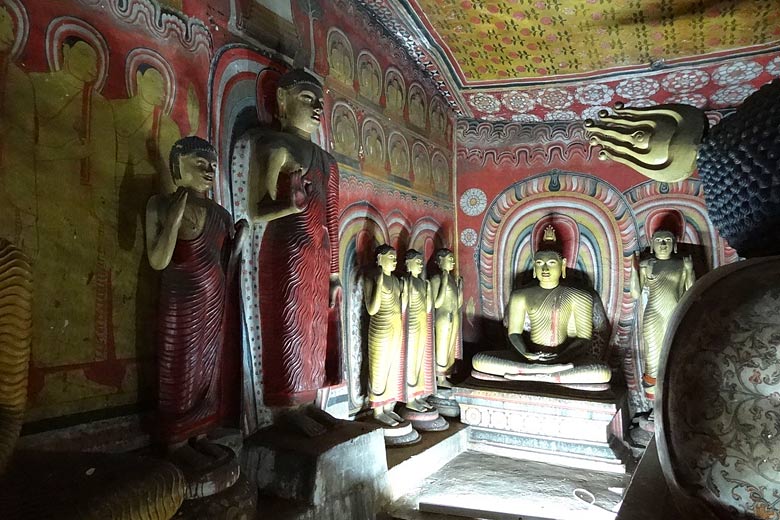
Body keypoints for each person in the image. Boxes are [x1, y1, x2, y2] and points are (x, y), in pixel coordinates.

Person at [246, 69, 341, 414]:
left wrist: (334, 275)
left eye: (319, 102)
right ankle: (286, 409)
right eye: (307, 98)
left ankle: (312, 401)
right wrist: (290, 204)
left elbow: (332, 218)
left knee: (315, 328)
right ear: (282, 100)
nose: (317, 108)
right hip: (288, 250)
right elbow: (257, 210)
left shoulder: (327, 161)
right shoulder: (275, 145)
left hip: (319, 252)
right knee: (291, 323)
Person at [146, 137, 247, 459]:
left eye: (212, 165)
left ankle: (199, 431)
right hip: (181, 296)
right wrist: (174, 220)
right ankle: (176, 439)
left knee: (207, 365)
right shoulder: (160, 205)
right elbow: (158, 260)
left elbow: (225, 260)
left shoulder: (220, 212)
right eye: (200, 164)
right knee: (180, 363)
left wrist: (239, 242)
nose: (209, 170)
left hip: (214, 296)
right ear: (177, 167)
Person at [472, 228, 611, 386]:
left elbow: (584, 339)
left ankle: (536, 374)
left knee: (602, 372)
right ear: (534, 266)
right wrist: (526, 353)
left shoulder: (580, 296)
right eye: (540, 263)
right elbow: (514, 334)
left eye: (551, 263)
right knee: (479, 360)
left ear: (563, 265)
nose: (545, 269)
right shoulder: (520, 295)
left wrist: (562, 357)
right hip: (529, 360)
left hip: (565, 360)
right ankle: (543, 374)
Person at [630, 230, 694, 400]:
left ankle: (670, 398)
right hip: (654, 314)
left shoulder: (681, 264)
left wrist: (690, 269)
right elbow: (636, 294)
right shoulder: (647, 265)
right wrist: (634, 268)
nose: (663, 245)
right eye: (659, 241)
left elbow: (691, 291)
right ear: (652, 245)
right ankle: (653, 402)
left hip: (675, 312)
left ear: (674, 244)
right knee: (652, 353)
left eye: (667, 240)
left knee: (675, 350)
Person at [364, 245, 405, 426]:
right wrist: (379, 283)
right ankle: (378, 411)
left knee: (393, 367)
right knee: (379, 369)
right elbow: (372, 310)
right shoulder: (371, 278)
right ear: (380, 258)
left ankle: (388, 407)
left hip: (396, 328)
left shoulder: (396, 281)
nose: (395, 261)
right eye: (391, 257)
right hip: (380, 329)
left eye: (395, 257)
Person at [402, 249, 435, 412]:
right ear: (408, 264)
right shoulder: (406, 282)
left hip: (422, 325)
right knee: (411, 361)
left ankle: (417, 395)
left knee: (421, 361)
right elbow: (404, 307)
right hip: (411, 327)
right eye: (417, 262)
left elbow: (428, 308)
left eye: (421, 262)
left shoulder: (422, 283)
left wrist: (429, 291)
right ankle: (409, 398)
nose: (421, 265)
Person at [430, 248, 463, 387]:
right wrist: (443, 283)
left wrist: (460, 288)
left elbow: (458, 303)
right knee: (442, 349)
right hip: (443, 317)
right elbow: (436, 303)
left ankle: (446, 375)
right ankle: (440, 379)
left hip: (454, 315)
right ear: (439, 261)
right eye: (449, 258)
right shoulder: (436, 279)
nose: (452, 261)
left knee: (450, 348)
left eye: (452, 259)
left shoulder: (452, 279)